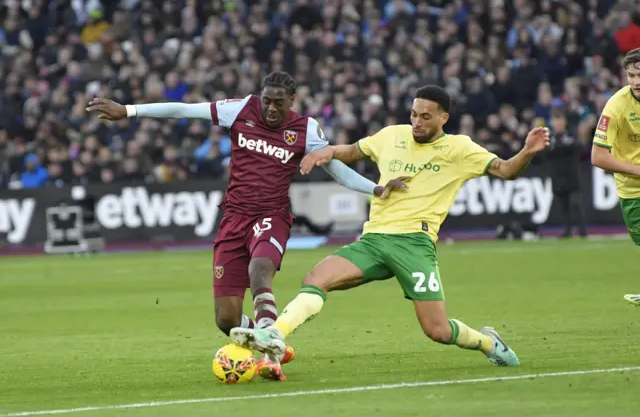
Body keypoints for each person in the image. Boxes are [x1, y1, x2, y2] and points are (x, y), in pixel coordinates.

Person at [86, 71, 408, 378]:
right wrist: (129, 111)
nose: (270, 108)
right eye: (266, 100)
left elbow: (337, 169)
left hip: (272, 216)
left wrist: (376, 189)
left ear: (292, 101)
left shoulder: (306, 130)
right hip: (233, 219)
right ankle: (271, 339)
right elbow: (185, 109)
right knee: (226, 319)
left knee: (259, 269)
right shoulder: (240, 109)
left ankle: (270, 356)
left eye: (278, 103)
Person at [229, 85, 551, 380]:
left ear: (444, 117)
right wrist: (328, 151)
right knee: (315, 279)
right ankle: (275, 336)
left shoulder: (459, 149)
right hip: (373, 240)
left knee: (437, 330)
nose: (417, 122)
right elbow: (355, 150)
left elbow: (506, 170)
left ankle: (487, 343)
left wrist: (527, 152)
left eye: (426, 117)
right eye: (413, 114)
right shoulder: (392, 135)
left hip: (415, 244)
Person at [591, 48, 640, 307]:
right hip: (633, 190)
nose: (636, 81)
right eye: (631, 75)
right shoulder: (617, 105)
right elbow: (597, 157)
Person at [547, 109, 587, 238]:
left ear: (564, 122)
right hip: (557, 177)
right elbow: (545, 153)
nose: (557, 123)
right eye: (555, 120)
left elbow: (579, 149)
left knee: (575, 204)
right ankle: (568, 230)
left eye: (559, 120)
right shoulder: (550, 138)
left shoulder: (570, 135)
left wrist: (560, 149)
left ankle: (582, 230)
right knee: (563, 206)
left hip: (571, 176)